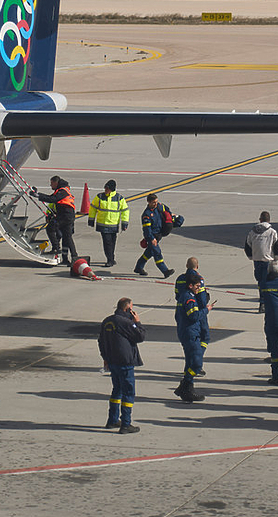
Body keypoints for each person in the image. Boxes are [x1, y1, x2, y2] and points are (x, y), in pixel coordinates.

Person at [98, 297, 145, 434]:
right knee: (128, 392)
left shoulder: (107, 321)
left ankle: (112, 420)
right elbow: (140, 336)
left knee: (117, 390)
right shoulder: (125, 322)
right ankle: (126, 423)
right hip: (124, 362)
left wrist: (105, 358)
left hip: (112, 361)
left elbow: (101, 341)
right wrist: (137, 322)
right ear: (128, 309)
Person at [173, 273, 208, 402]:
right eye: (197, 286)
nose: (199, 289)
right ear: (190, 286)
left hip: (185, 332)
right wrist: (206, 310)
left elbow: (177, 316)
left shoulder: (183, 296)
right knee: (197, 364)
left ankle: (187, 390)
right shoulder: (189, 299)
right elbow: (194, 316)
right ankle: (186, 383)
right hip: (190, 334)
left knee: (189, 362)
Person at [175, 258, 213, 370]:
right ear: (197, 266)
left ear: (186, 265)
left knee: (187, 345)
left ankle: (191, 365)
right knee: (205, 337)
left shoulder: (179, 279)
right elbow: (202, 300)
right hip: (197, 312)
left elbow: (177, 296)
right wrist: (206, 309)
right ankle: (197, 362)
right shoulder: (199, 279)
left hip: (181, 312)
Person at [33, 176, 78, 265]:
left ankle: (56, 248)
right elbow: (51, 197)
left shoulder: (62, 191)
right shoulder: (62, 190)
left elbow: (53, 199)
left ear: (56, 182)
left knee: (50, 228)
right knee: (67, 237)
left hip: (65, 215)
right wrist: (38, 194)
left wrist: (38, 196)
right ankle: (74, 257)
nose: (50, 185)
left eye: (52, 183)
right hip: (67, 215)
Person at [244, 210, 278, 312]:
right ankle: (265, 302)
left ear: (260, 220)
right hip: (268, 260)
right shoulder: (272, 232)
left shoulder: (252, 232)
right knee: (268, 282)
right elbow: (277, 246)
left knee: (260, 281)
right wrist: (276, 258)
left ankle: (262, 301)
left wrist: (251, 256)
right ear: (269, 220)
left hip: (257, 260)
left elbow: (247, 245)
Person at [87, 179, 128, 267]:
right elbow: (93, 208)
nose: (105, 190)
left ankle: (111, 258)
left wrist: (124, 223)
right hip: (103, 225)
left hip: (114, 225)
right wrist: (91, 219)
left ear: (112, 189)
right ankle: (110, 260)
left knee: (112, 243)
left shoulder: (119, 198)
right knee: (107, 243)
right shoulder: (99, 197)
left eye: (107, 188)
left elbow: (125, 211)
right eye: (105, 188)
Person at [134, 193, 175, 278]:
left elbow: (167, 210)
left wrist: (171, 215)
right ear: (149, 202)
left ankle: (139, 267)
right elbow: (147, 229)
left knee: (148, 253)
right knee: (157, 253)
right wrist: (152, 238)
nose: (156, 204)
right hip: (152, 237)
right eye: (153, 202)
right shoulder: (146, 215)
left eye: (156, 201)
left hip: (159, 235)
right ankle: (165, 271)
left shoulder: (159, 206)